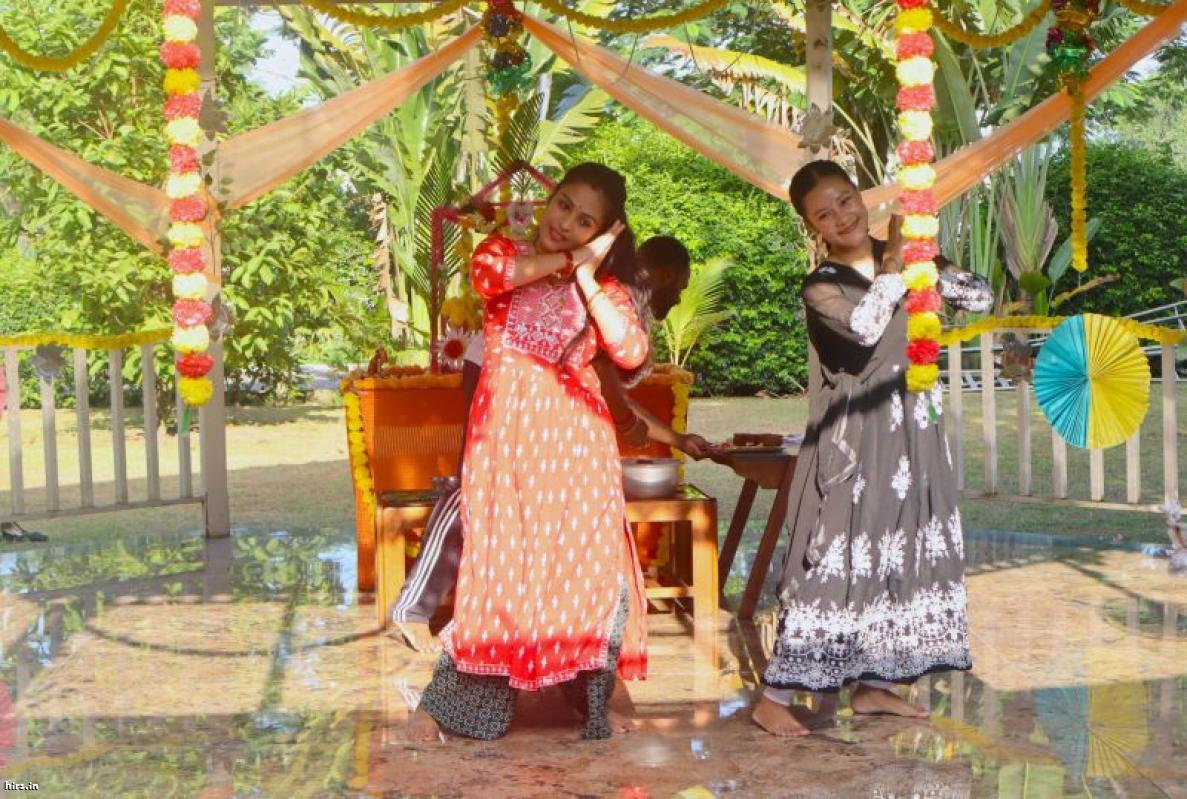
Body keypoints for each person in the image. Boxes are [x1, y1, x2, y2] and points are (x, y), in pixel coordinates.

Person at [409, 163, 655, 742]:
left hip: (577, 452)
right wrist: (573, 257)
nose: (565, 222)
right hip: (506, 445)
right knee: (498, 573)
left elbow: (629, 349)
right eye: (563, 205)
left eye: (585, 220)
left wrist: (588, 275)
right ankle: (451, 708)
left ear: (605, 232)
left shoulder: (603, 289)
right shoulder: (504, 253)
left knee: (582, 572)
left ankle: (592, 698)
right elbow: (489, 277)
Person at [752, 160, 991, 738]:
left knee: (902, 552)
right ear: (813, 227)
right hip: (854, 441)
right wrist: (892, 269)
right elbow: (863, 330)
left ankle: (875, 686)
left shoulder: (909, 258)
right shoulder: (821, 285)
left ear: (861, 197)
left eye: (845, 200)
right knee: (835, 559)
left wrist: (926, 262)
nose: (842, 216)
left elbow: (981, 298)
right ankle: (774, 696)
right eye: (824, 213)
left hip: (914, 433)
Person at [391, 236, 709, 653]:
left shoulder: (620, 298)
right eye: (681, 286)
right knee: (480, 483)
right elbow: (612, 393)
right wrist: (633, 423)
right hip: (499, 363)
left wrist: (676, 439)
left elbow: (603, 389)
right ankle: (413, 608)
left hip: (544, 385)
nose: (679, 297)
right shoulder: (617, 290)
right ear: (665, 274)